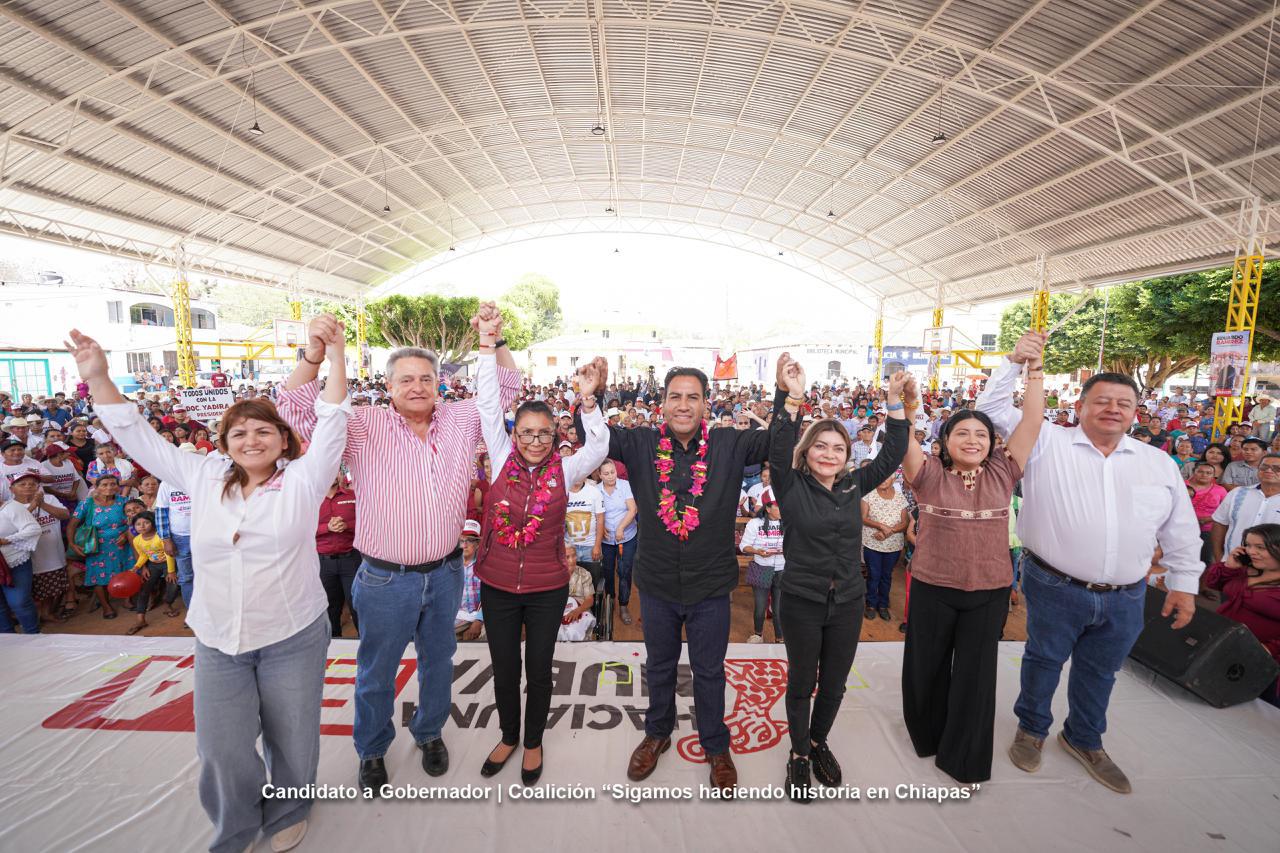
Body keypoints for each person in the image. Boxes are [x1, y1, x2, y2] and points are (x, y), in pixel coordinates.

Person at [69, 316, 349, 853]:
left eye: (263, 431)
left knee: (292, 738)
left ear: (284, 440)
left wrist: (335, 356)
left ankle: (289, 809)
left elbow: (333, 417)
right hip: (219, 637)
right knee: (221, 747)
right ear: (223, 443)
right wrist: (99, 377)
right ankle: (237, 826)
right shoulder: (201, 475)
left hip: (292, 632)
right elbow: (136, 435)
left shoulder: (305, 478)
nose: (251, 439)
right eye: (239, 433)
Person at [276, 305, 522, 795]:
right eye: (405, 379)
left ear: (439, 384)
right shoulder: (362, 424)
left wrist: (495, 339)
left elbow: (506, 390)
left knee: (438, 662)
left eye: (426, 378)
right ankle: (371, 748)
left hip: (446, 572)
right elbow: (294, 412)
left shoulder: (462, 419)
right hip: (385, 578)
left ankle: (429, 733)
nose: (417, 387)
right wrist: (316, 355)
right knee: (377, 670)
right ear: (388, 387)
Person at [978, 349, 1203, 794]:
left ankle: (1083, 738)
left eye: (1123, 403)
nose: (1112, 409)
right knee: (1044, 659)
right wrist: (1015, 361)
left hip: (1127, 594)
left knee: (1101, 670)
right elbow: (990, 409)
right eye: (1102, 401)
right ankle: (1032, 729)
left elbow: (1180, 527)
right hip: (1055, 583)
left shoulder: (1157, 463)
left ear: (1136, 412)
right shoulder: (1045, 441)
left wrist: (1184, 583)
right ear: (1080, 406)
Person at [576, 356, 786, 794]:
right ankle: (657, 733)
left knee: (709, 671)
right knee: (660, 666)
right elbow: (595, 441)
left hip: (710, 586)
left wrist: (787, 396)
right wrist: (590, 399)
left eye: (693, 397)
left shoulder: (729, 443)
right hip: (657, 584)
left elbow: (778, 443)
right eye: (676, 396)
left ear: (706, 403)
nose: (684, 405)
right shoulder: (641, 442)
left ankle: (715, 745)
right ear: (663, 403)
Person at [897, 333, 1045, 784]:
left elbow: (1032, 421)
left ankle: (964, 758)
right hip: (932, 587)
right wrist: (906, 406)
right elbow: (903, 439)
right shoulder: (927, 474)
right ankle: (927, 736)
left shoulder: (1004, 469)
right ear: (944, 441)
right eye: (962, 432)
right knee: (926, 667)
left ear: (992, 443)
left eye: (981, 433)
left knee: (976, 677)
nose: (973, 439)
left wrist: (1034, 369)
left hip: (988, 591)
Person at [766, 358, 909, 801]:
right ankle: (798, 754)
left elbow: (892, 453)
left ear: (848, 456)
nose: (829, 454)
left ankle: (816, 741)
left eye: (838, 448)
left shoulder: (853, 486)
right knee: (801, 683)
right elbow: (777, 443)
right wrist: (791, 396)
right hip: (801, 601)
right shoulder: (790, 485)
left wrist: (894, 403)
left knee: (834, 684)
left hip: (847, 601)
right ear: (807, 451)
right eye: (821, 446)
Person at [474, 337, 608, 786]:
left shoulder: (565, 470)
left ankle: (533, 741)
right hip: (497, 585)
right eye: (527, 433)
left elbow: (599, 449)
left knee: (538, 670)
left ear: (555, 435)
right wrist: (486, 347)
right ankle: (508, 736)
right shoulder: (499, 458)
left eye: (544, 433)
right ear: (514, 435)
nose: (535, 441)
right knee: (504, 668)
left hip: (548, 587)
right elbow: (488, 404)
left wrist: (588, 402)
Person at [1202, 524, 1280, 706]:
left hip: (1260, 660)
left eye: (1260, 547)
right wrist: (1229, 566)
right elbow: (1213, 583)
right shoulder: (1247, 570)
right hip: (1223, 647)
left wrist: (1269, 648)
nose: (1251, 552)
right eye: (1248, 545)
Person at [66, 474, 132, 619]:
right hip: (96, 546)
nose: (109, 487)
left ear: (118, 486)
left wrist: (126, 534)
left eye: (113, 484)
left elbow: (134, 520)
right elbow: (72, 525)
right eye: (104, 485)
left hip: (122, 544)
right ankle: (106, 606)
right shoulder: (87, 504)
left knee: (125, 569)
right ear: (96, 487)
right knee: (98, 575)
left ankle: (127, 599)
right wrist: (72, 544)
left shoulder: (124, 501)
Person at [9, 472, 72, 622]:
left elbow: (65, 515)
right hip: (25, 559)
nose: (28, 487)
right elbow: (11, 529)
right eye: (22, 484)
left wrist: (42, 504)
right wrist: (33, 506)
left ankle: (46, 613)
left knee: (54, 588)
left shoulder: (49, 499)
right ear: (12, 489)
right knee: (26, 592)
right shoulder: (9, 506)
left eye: (32, 484)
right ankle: (29, 619)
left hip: (53, 554)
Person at [1209, 453, 1280, 563]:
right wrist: (1219, 556)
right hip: (1232, 562)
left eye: (1277, 468)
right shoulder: (1237, 493)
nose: (1269, 471)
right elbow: (1220, 523)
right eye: (1264, 467)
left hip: (1273, 568)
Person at [861, 473, 909, 622]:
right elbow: (863, 518)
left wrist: (889, 531)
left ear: (893, 479)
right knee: (873, 575)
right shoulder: (868, 495)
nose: (882, 480)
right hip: (872, 543)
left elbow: (904, 523)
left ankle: (883, 605)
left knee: (886, 576)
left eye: (887, 477)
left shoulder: (900, 497)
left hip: (893, 545)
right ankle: (870, 604)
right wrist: (881, 526)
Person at [316, 473, 359, 638]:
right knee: (328, 608)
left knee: (357, 604)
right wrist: (327, 527)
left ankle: (364, 643)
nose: (332, 473)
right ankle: (332, 643)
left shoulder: (353, 496)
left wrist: (346, 525)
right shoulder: (312, 500)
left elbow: (367, 521)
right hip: (323, 563)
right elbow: (303, 528)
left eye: (336, 470)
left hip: (351, 560)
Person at [0, 473, 43, 633]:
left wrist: (6, 540)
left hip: (14, 561)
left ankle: (33, 635)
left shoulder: (11, 507)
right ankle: (9, 639)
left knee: (19, 602)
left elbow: (33, 529)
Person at [598, 459, 638, 625]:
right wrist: (600, 528)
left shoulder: (624, 485)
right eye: (606, 473)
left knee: (624, 571)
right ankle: (610, 600)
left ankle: (623, 605)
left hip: (626, 537)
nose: (610, 476)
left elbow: (632, 509)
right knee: (607, 571)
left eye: (612, 472)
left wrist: (621, 527)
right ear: (600, 475)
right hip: (606, 540)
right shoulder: (596, 490)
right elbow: (595, 513)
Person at [740, 495, 785, 644]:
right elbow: (744, 546)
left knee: (779, 609)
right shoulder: (755, 523)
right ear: (768, 508)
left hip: (782, 570)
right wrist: (757, 551)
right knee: (760, 607)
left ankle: (780, 639)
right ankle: (758, 635)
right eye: (778, 506)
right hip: (762, 569)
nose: (782, 509)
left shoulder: (788, 522)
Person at [127, 510, 174, 636]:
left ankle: (168, 604)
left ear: (153, 523)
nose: (142, 526)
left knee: (172, 585)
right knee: (144, 589)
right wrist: (136, 567)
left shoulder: (160, 536)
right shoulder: (137, 540)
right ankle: (140, 619)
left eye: (146, 523)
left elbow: (168, 554)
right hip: (153, 565)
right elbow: (143, 555)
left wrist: (171, 571)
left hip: (168, 563)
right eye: (138, 524)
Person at [1188, 461, 1228, 565]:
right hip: (1183, 528)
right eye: (1200, 471)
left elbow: (1226, 511)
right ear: (1193, 472)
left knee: (1205, 560)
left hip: (1208, 529)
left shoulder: (1220, 490)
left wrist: (1208, 519)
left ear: (1214, 476)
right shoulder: (1182, 485)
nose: (1204, 475)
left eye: (1208, 473)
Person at [557, 543, 598, 642]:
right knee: (557, 632)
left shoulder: (584, 574)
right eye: (567, 557)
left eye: (574, 556)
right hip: (559, 610)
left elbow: (589, 600)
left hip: (581, 609)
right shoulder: (554, 575)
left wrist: (577, 611)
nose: (572, 560)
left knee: (573, 632)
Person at [455, 520, 484, 641]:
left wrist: (478, 621)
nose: (465, 545)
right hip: (457, 618)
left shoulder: (483, 567)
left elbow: (489, 598)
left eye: (470, 540)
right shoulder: (451, 567)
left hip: (481, 618)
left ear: (477, 544)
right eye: (462, 540)